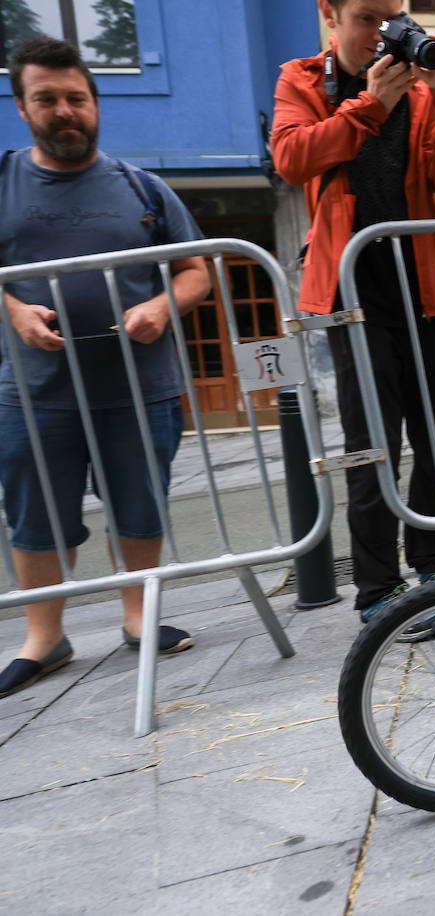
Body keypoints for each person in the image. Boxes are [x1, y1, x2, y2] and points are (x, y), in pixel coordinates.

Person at [0, 36, 212, 697]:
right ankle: (44, 639)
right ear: (21, 106)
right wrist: (14, 310)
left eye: (77, 98)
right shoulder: (3, 183)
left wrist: (161, 307)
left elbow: (196, 271)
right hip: (33, 394)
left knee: (139, 507)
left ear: (95, 103)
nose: (65, 111)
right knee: (36, 516)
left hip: (140, 388)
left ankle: (139, 619)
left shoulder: (142, 187)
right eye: (47, 99)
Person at [272, 0, 435, 630]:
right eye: (366, 18)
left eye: (393, 16)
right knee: (371, 447)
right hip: (352, 294)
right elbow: (291, 158)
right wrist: (370, 106)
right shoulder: (303, 79)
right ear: (329, 15)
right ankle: (379, 589)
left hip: (425, 286)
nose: (383, 33)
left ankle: (434, 563)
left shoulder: (419, 84)